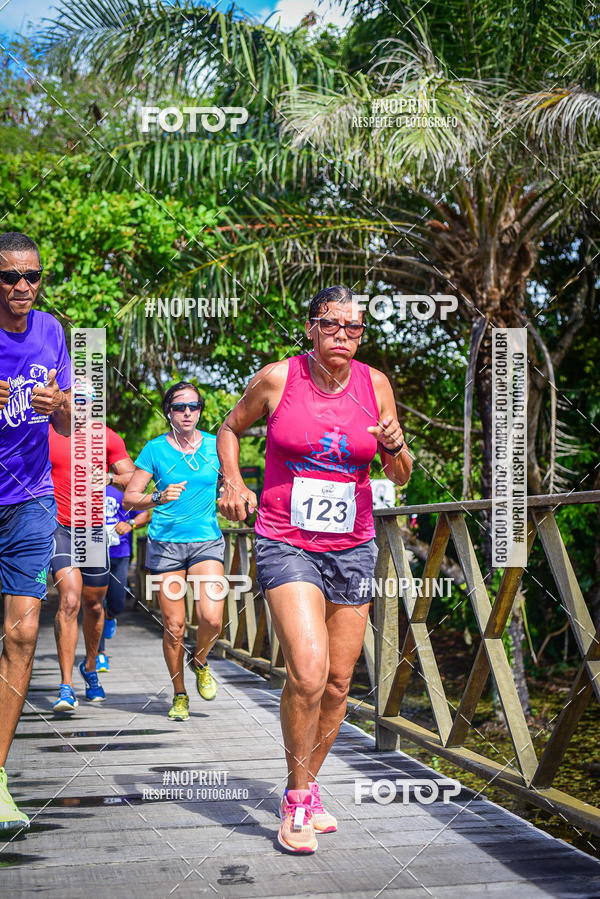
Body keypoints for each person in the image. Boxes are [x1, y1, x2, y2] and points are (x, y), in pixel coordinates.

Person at [217, 285, 412, 854]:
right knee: (307, 670)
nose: (345, 337)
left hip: (352, 546)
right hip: (286, 540)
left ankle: (307, 783)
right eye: (334, 326)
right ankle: (298, 799)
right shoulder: (278, 378)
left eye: (356, 329)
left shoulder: (375, 386)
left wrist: (397, 449)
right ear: (311, 327)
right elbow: (230, 428)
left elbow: (399, 475)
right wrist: (232, 480)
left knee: (338, 682)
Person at [0, 231, 72, 831]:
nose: (23, 287)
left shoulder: (51, 330)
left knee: (21, 637)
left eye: (32, 276)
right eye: (10, 278)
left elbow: (76, 420)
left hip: (31, 499)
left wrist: (58, 406)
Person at [123, 382, 225, 722]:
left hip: (206, 540)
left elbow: (234, 484)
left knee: (212, 617)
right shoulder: (155, 450)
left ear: (200, 411)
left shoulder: (216, 446)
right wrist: (157, 497)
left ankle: (200, 661)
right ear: (168, 411)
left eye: (193, 406)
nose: (187, 412)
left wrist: (238, 496)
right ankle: (180, 694)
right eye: (180, 407)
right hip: (165, 545)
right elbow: (129, 498)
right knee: (175, 625)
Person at [49, 387, 135, 711]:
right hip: (59, 526)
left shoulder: (107, 437)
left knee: (94, 606)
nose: (85, 404)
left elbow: (132, 478)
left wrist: (110, 477)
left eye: (91, 399)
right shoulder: (45, 432)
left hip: (94, 530)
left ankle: (89, 668)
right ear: (65, 399)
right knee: (69, 600)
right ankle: (66, 686)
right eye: (78, 397)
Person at [97, 486, 151, 671]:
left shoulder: (123, 490)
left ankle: (111, 616)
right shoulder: (82, 487)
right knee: (96, 604)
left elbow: (145, 514)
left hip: (119, 553)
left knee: (117, 603)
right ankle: (99, 654)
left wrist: (130, 524)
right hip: (92, 554)